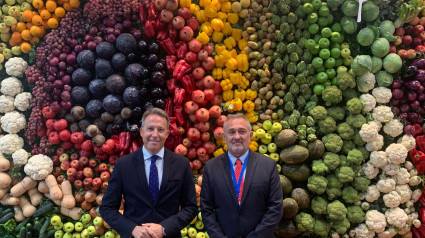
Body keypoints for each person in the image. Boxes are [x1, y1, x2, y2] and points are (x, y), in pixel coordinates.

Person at [100, 107, 197, 238]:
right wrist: (132, 229)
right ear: (141, 131)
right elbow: (107, 208)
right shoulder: (123, 165)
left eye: (160, 130)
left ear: (167, 134)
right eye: (150, 129)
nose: (155, 134)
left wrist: (164, 228)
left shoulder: (181, 164)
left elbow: (190, 208)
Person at [200, 113, 283, 238]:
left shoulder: (268, 165)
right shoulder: (211, 168)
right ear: (224, 136)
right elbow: (207, 210)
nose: (237, 136)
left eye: (242, 131)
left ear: (250, 135)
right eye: (231, 132)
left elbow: (275, 208)